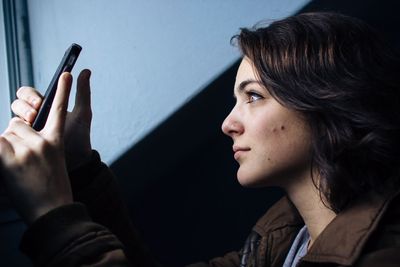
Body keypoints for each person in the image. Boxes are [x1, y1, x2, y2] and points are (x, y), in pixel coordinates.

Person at [1, 11, 400, 267]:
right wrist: (79, 166)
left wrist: (53, 213)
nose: (228, 123)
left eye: (254, 97)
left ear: (329, 103)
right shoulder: (280, 245)